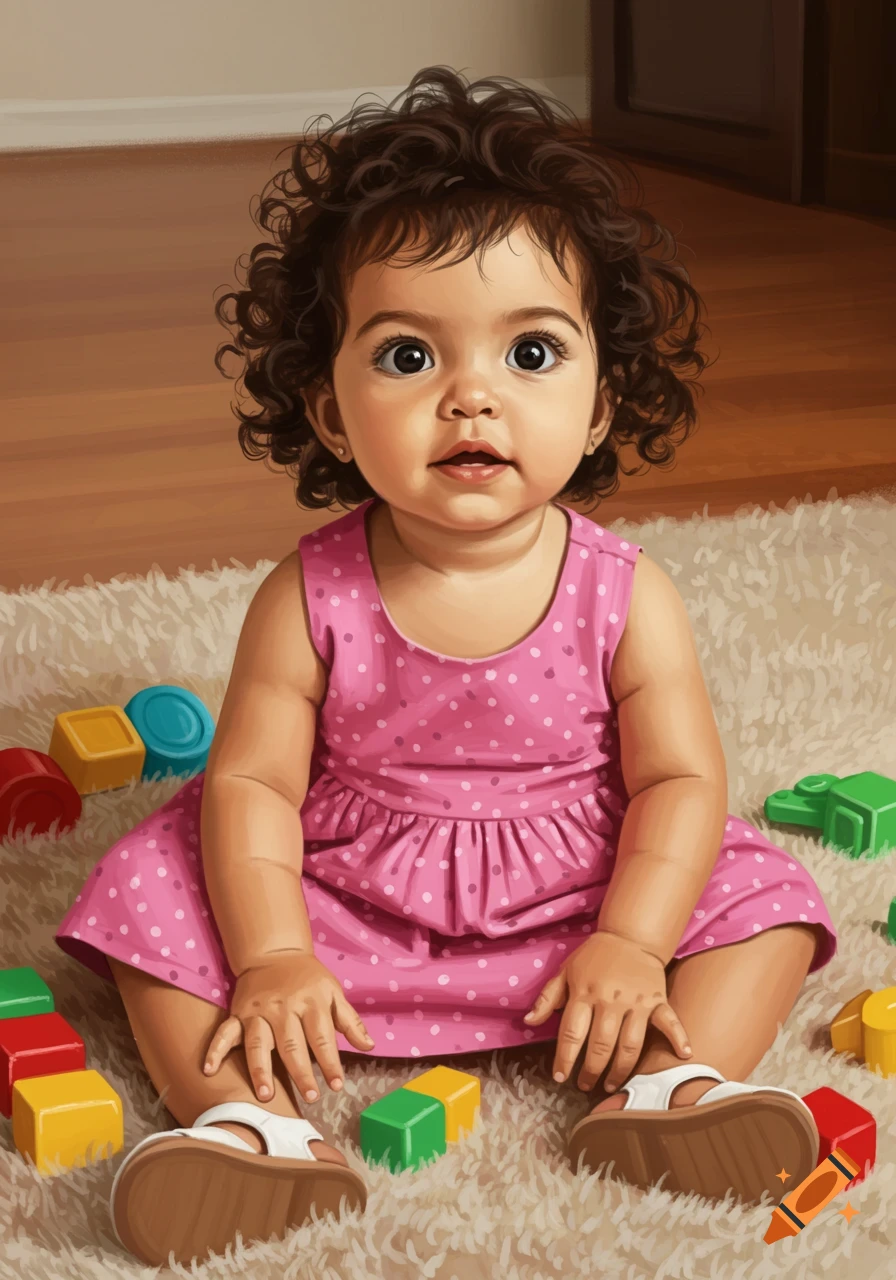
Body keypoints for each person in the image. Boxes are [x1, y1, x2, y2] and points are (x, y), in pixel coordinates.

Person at [54, 65, 837, 1266]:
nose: (470, 393)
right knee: (147, 888)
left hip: (576, 885)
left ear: (595, 407)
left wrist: (630, 938)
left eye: (529, 353)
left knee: (764, 899)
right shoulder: (307, 591)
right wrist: (271, 954)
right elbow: (256, 784)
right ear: (325, 411)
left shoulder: (625, 591)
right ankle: (246, 1126)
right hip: (348, 892)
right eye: (408, 358)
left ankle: (673, 1088)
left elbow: (677, 781)